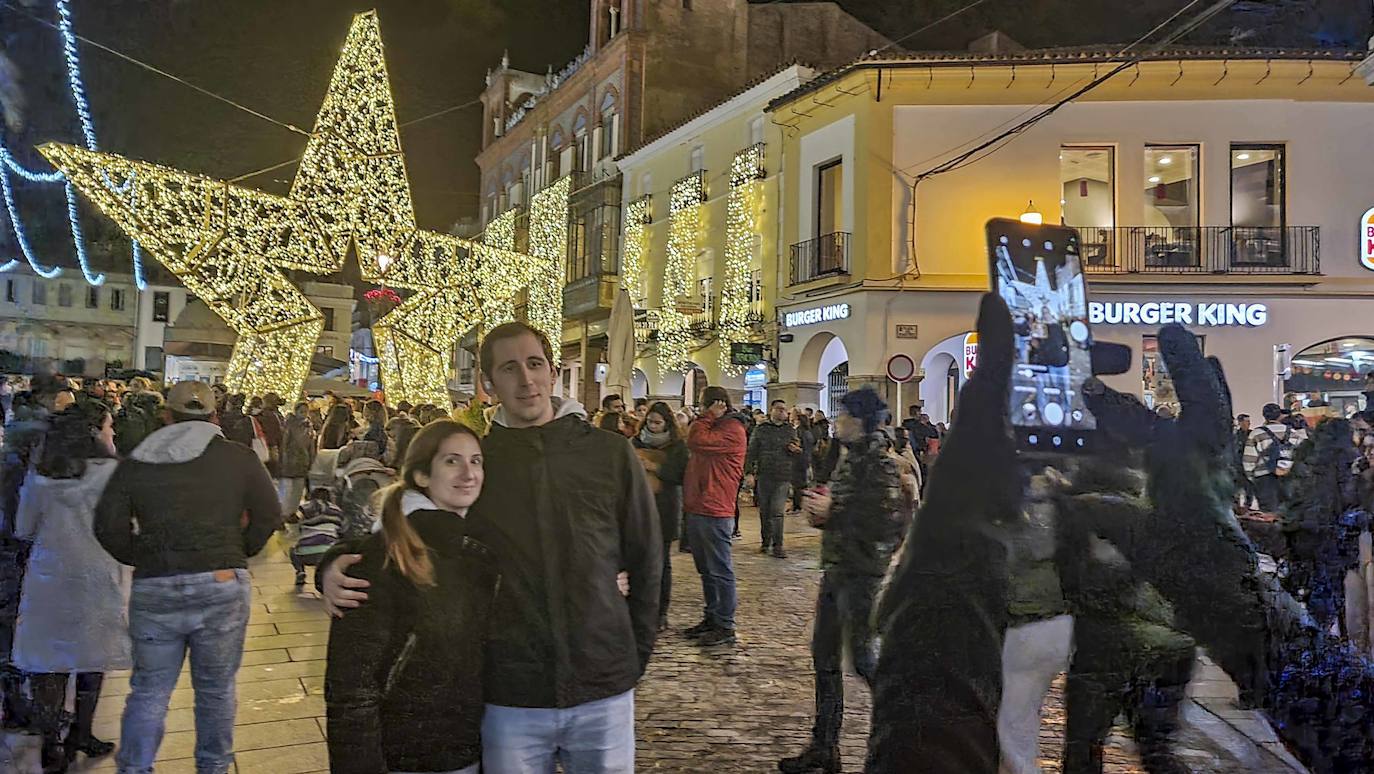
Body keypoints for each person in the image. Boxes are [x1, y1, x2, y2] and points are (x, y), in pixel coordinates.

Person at [321, 321, 661, 773]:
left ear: (552, 372)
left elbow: (648, 557)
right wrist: (335, 564)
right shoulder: (479, 462)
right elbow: (415, 523)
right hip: (510, 694)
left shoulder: (609, 453)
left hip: (603, 685)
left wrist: (635, 655)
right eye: (509, 368)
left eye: (535, 364)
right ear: (488, 383)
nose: (526, 379)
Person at [94, 380, 281, 774]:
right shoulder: (239, 457)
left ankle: (134, 767)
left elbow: (108, 526)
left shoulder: (138, 460)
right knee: (216, 690)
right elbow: (269, 513)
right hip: (221, 580)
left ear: (167, 415)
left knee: (149, 690)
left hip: (155, 583)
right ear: (214, 416)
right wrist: (238, 551)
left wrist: (143, 556)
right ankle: (213, 767)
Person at [325, 420, 501, 774]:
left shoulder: (476, 549)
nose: (468, 473)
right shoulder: (382, 556)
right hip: (406, 754)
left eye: (476, 461)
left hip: (467, 749)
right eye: (451, 461)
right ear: (422, 475)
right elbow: (351, 686)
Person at [780, 388, 904, 774]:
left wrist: (835, 510)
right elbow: (849, 510)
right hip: (838, 567)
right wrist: (824, 513)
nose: (837, 422)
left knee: (865, 659)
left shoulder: (879, 463)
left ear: (861, 421)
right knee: (825, 657)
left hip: (861, 573)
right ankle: (824, 746)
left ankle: (904, 737)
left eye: (844, 416)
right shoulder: (850, 458)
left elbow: (885, 523)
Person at [12, 402, 128, 772]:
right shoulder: (112, 473)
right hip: (97, 577)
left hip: (49, 579)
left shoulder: (41, 475)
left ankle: (52, 747)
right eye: (109, 426)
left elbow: (23, 528)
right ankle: (82, 733)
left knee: (50, 664)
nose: (112, 433)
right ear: (94, 432)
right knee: (92, 658)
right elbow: (125, 526)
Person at [683, 385, 748, 646]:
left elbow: (696, 440)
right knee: (706, 570)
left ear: (716, 405)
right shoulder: (714, 426)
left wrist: (707, 417)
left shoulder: (732, 429)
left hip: (715, 507)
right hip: (699, 505)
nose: (700, 411)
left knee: (720, 569)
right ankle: (712, 616)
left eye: (702, 405)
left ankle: (725, 624)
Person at [633, 401, 689, 630]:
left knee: (662, 562)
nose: (653, 426)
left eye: (657, 423)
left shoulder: (677, 446)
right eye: (650, 422)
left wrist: (654, 467)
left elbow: (680, 475)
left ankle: (660, 612)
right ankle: (639, 607)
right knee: (638, 559)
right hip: (639, 506)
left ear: (667, 423)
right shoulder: (636, 442)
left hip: (665, 507)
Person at [745, 399, 799, 558]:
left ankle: (778, 545)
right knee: (765, 510)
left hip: (783, 474)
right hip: (764, 474)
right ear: (772, 410)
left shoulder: (789, 430)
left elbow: (797, 449)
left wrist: (795, 450)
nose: (782, 412)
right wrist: (749, 472)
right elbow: (752, 451)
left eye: (784, 409)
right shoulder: (761, 429)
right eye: (779, 409)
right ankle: (765, 541)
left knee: (777, 511)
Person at [1243, 402, 1301, 513]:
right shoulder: (1292, 432)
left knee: (1268, 513)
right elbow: (1300, 455)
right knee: (1289, 512)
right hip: (1289, 477)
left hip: (1264, 479)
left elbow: (1249, 460)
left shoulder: (1256, 433)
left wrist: (1251, 478)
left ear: (1264, 416)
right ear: (1280, 415)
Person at [287, 488, 344, 588]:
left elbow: (293, 518)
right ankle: (327, 574)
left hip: (305, 554)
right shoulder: (337, 510)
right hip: (328, 553)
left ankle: (300, 571)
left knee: (292, 550)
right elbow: (342, 529)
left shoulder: (305, 507)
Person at [279, 401, 317, 515]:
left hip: (303, 460)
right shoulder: (289, 425)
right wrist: (283, 458)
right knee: (287, 490)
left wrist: (311, 459)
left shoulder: (308, 426)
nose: (304, 414)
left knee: (298, 490)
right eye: (301, 411)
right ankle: (284, 513)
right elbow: (284, 443)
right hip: (290, 460)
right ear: (295, 411)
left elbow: (311, 445)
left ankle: (292, 512)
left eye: (306, 411)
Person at [791, 412, 816, 513]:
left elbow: (798, 447)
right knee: (803, 483)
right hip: (807, 460)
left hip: (798, 460)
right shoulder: (808, 432)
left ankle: (797, 506)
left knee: (797, 484)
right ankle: (802, 505)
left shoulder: (798, 432)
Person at [1234, 413, 1256, 510]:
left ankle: (1248, 505)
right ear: (1240, 422)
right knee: (1237, 486)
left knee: (1249, 486)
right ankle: (1237, 506)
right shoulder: (1235, 436)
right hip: (1238, 464)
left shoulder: (1252, 434)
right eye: (1246, 421)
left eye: (1249, 421)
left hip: (1250, 464)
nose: (1249, 423)